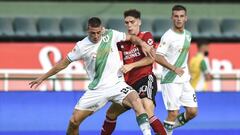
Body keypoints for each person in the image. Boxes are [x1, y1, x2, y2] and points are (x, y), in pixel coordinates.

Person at [29, 17, 155, 135]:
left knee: (137, 102)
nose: (96, 36)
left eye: (98, 32)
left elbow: (131, 38)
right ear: (88, 30)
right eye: (92, 33)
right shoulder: (81, 46)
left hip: (117, 85)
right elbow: (63, 64)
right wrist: (43, 77)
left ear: (102, 29)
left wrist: (143, 44)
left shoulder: (111, 34)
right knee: (74, 121)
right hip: (97, 90)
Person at [101, 9, 166, 135]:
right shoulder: (122, 41)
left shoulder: (146, 36)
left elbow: (151, 58)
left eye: (132, 22)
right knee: (111, 113)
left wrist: (131, 65)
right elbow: (109, 45)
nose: (129, 25)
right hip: (128, 85)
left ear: (139, 22)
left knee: (147, 110)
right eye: (126, 22)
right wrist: (104, 33)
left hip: (145, 79)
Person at [154, 5, 198, 135]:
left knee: (192, 111)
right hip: (170, 79)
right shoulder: (168, 36)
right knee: (173, 113)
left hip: (184, 79)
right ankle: (165, 132)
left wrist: (188, 70)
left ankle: (163, 130)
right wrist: (174, 68)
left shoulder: (188, 35)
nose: (179, 19)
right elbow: (157, 56)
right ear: (172, 18)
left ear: (186, 18)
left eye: (181, 16)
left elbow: (185, 55)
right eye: (176, 16)